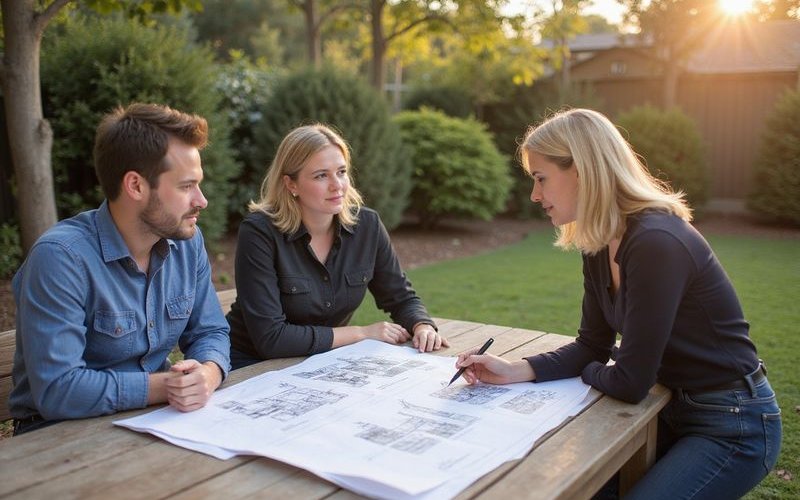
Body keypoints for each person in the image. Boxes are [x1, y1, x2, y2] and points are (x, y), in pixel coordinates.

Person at [455, 108, 782, 499]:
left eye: (541, 179)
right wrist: (513, 370)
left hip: (732, 423)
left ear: (582, 170)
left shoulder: (656, 241)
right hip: (669, 407)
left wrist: (592, 369)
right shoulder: (598, 243)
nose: (534, 195)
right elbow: (592, 344)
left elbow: (629, 382)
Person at [9, 103, 231, 435]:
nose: (202, 200)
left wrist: (208, 373)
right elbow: (58, 390)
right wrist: (166, 386)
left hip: (155, 423)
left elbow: (210, 331)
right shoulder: (60, 258)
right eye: (186, 186)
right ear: (136, 186)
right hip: (56, 438)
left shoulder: (187, 242)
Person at [226, 123, 447, 369]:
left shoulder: (367, 226)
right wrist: (361, 333)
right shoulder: (259, 232)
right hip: (250, 363)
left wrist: (422, 325)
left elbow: (400, 297)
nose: (337, 185)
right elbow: (271, 338)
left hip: (320, 362)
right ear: (291, 185)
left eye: (341, 172)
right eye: (321, 175)